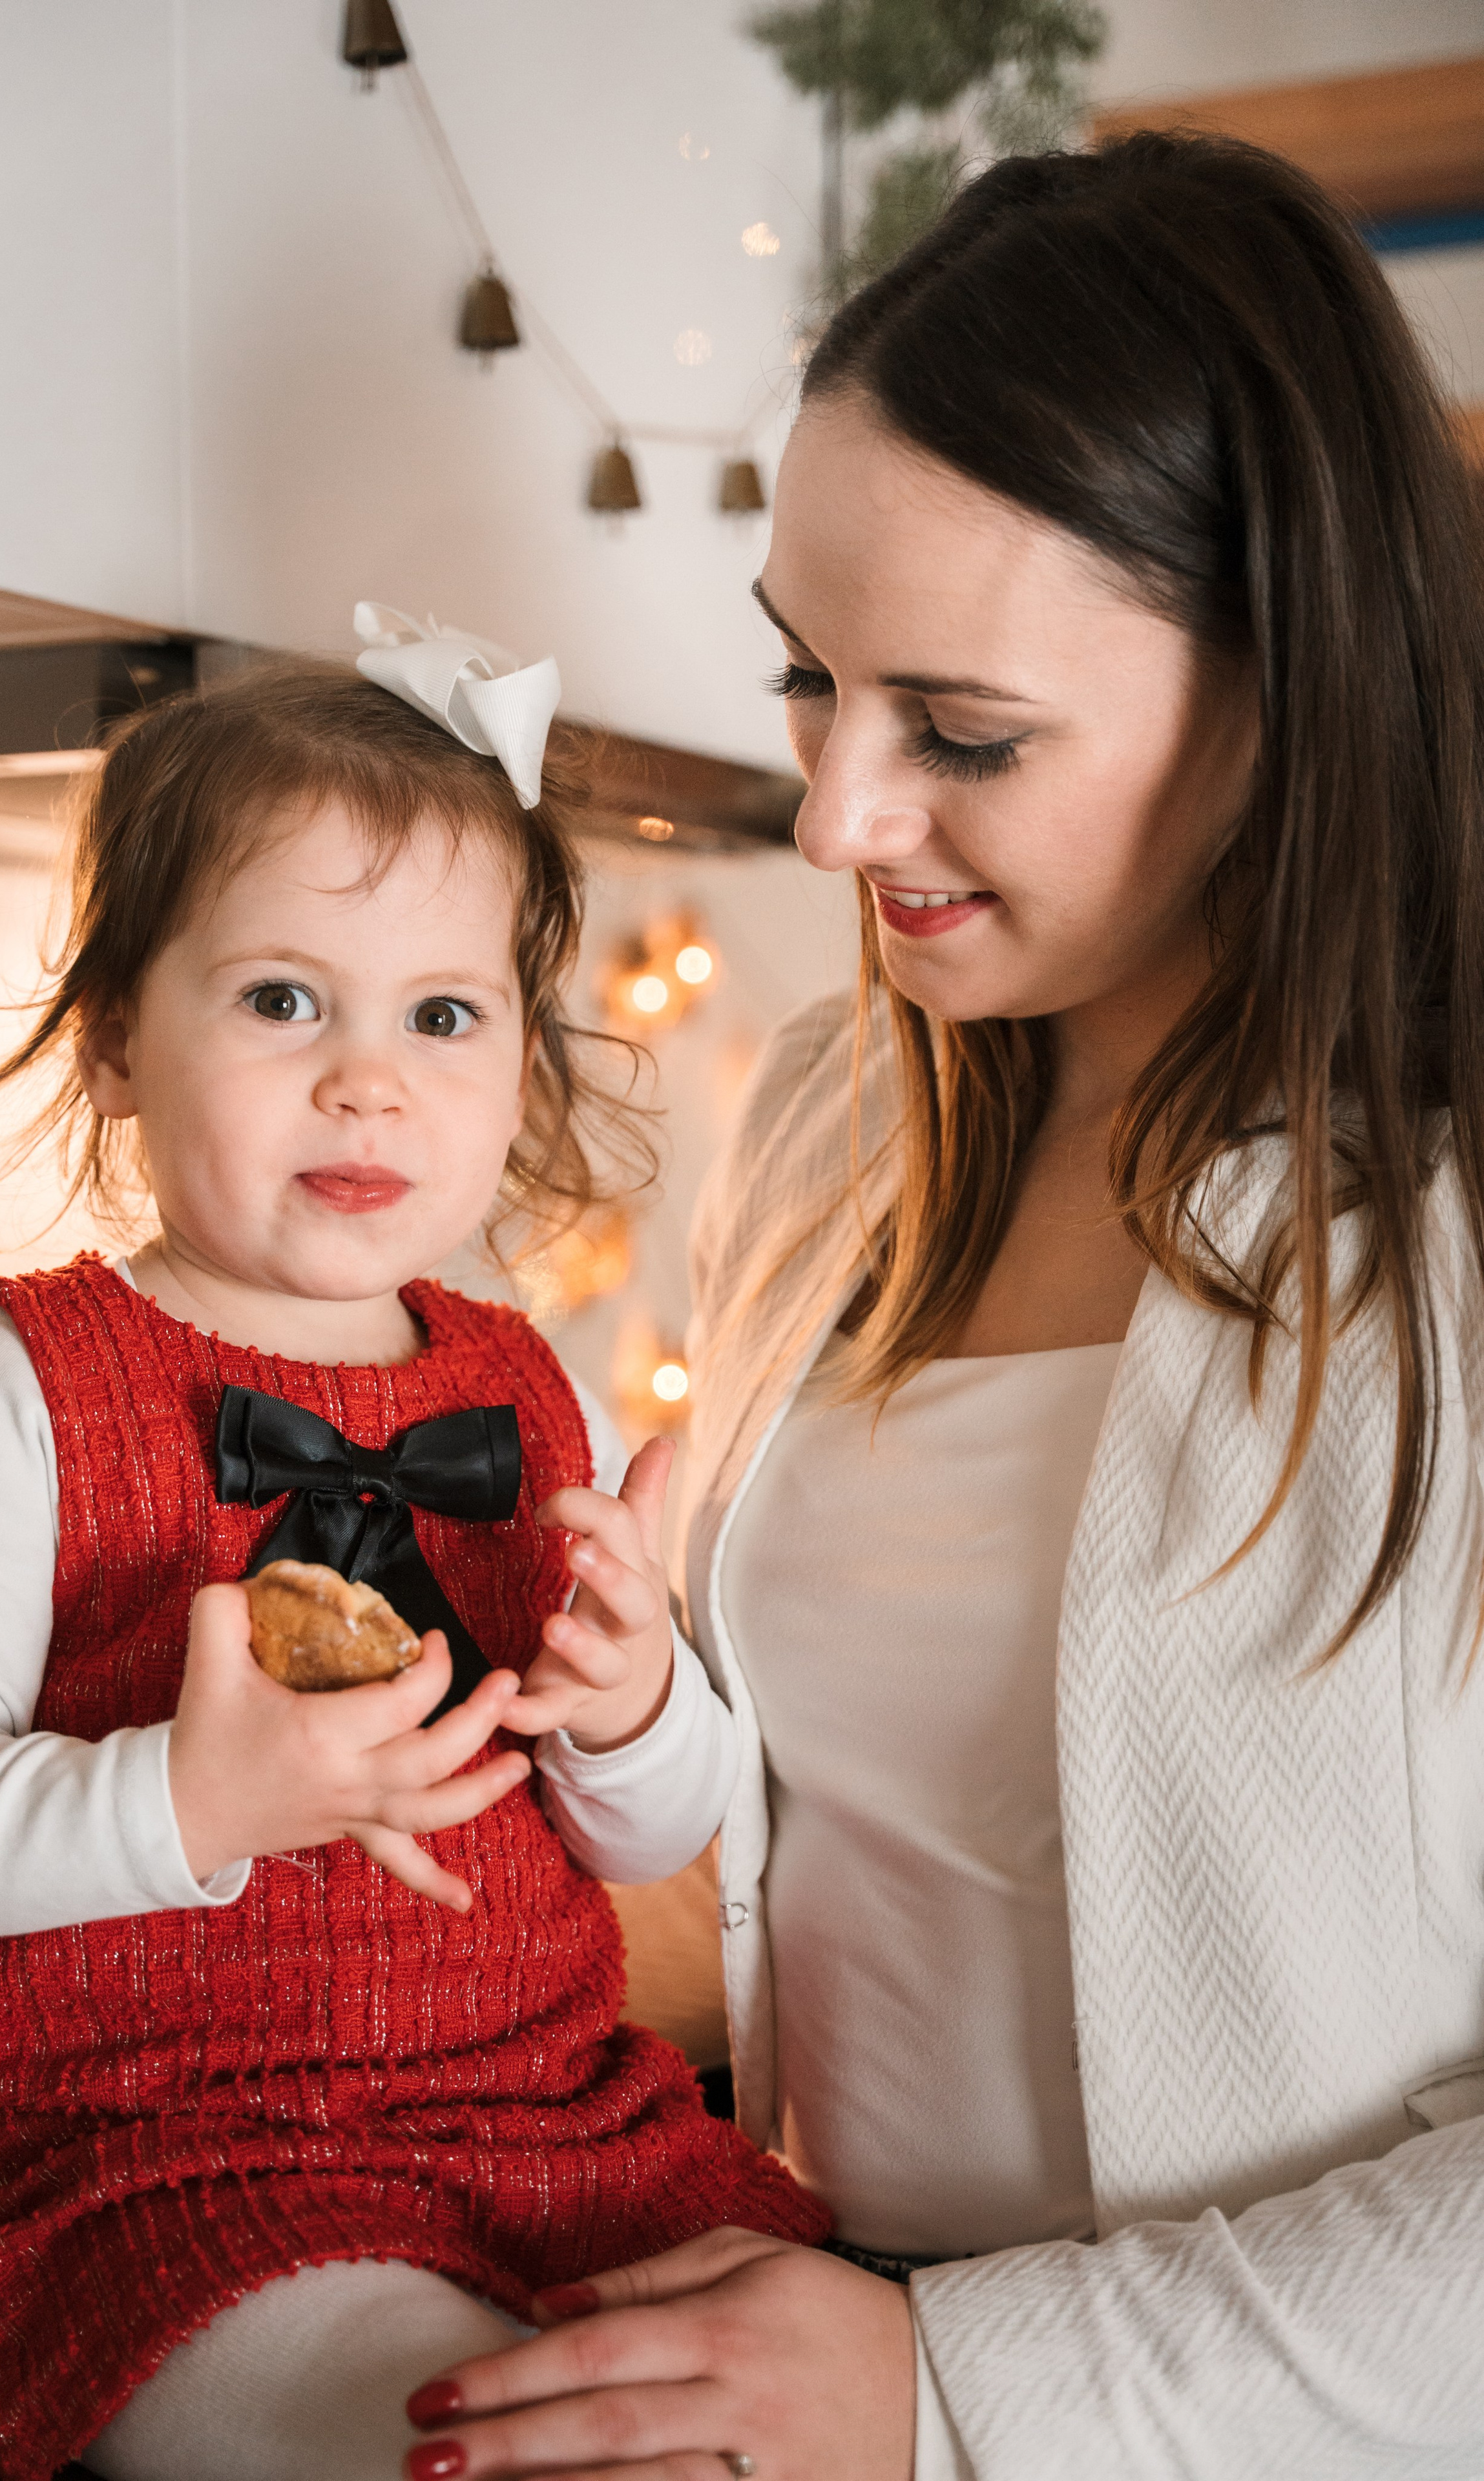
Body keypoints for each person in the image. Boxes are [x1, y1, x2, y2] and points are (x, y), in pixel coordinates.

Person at [373, 131, 1484, 2477]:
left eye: (963, 734)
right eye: (809, 680)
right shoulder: (833, 1126)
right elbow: (805, 1858)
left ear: (1286, 695)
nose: (837, 818)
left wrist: (963, 2388)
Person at [0, 649, 824, 2481]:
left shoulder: (522, 1386)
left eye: (442, 1016)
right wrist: (185, 1798)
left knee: (819, 2411)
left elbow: (647, 1834)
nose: (372, 1084)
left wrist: (633, 1707)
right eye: (286, 999)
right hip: (167, 2169)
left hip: (558, 2125)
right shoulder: (24, 1391)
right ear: (118, 1036)